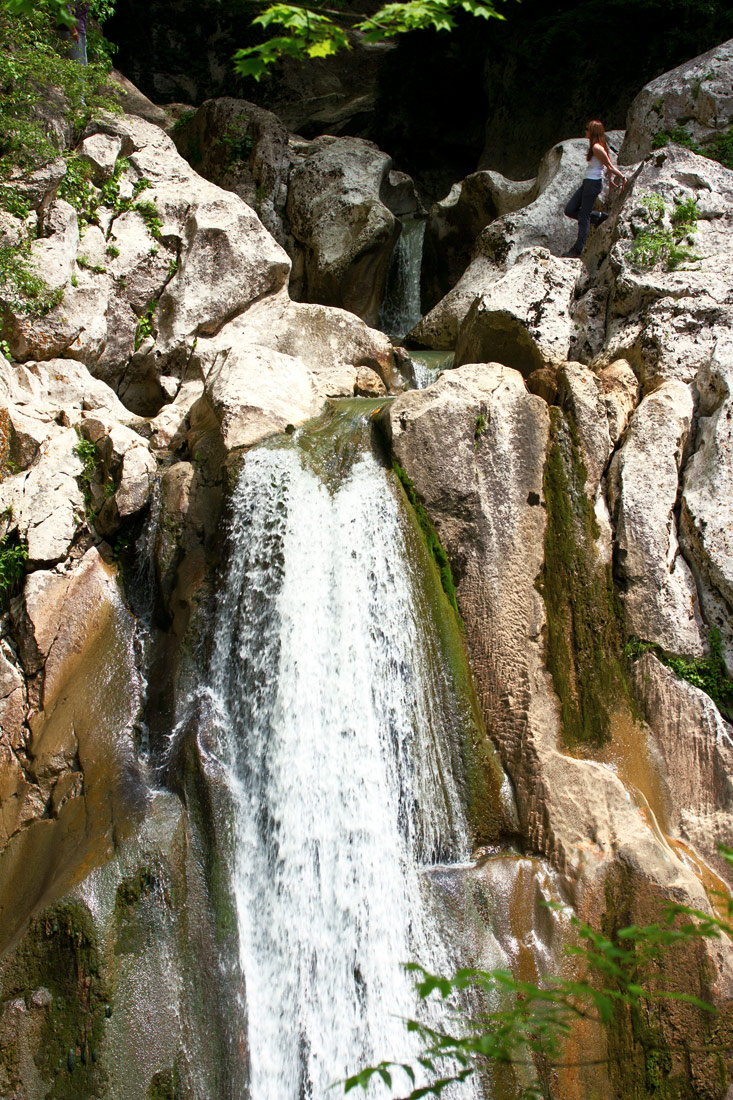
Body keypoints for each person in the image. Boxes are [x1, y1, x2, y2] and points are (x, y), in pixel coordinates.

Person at [563, 120, 626, 258]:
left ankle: (577, 249)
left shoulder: (597, 148)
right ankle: (598, 217)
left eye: (587, 129)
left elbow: (609, 165)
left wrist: (621, 177)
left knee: (583, 217)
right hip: (588, 183)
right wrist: (609, 180)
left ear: (592, 132)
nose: (585, 131)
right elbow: (605, 165)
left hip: (593, 184)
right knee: (570, 209)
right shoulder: (596, 147)